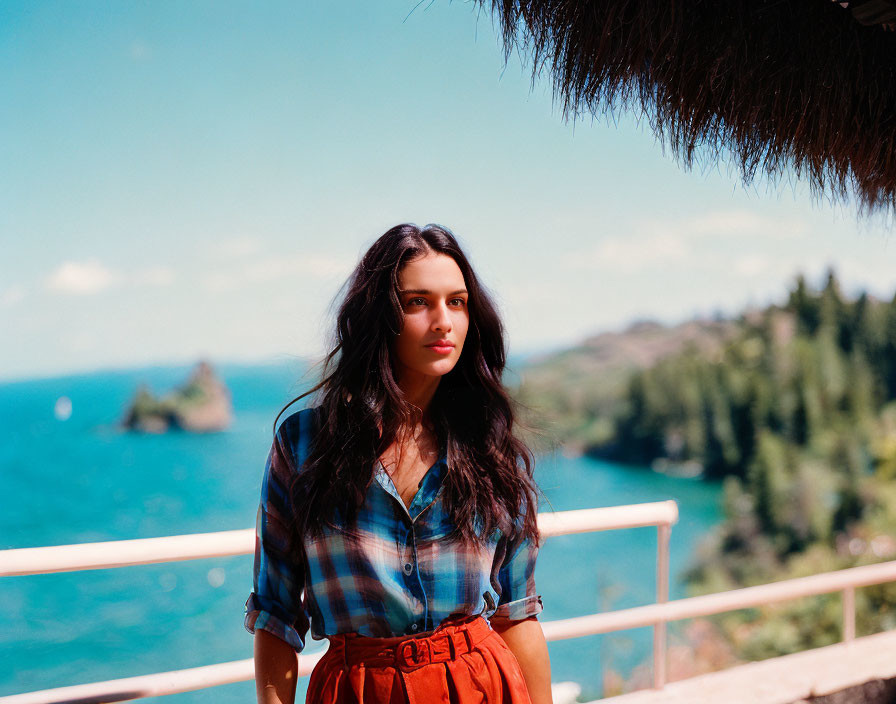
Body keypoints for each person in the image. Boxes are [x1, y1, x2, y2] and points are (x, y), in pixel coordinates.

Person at [244, 223, 553, 703]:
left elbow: (518, 615)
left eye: (457, 301)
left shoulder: (490, 449)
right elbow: (275, 616)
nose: (443, 321)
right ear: (378, 317)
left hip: (479, 689)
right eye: (417, 302)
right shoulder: (304, 446)